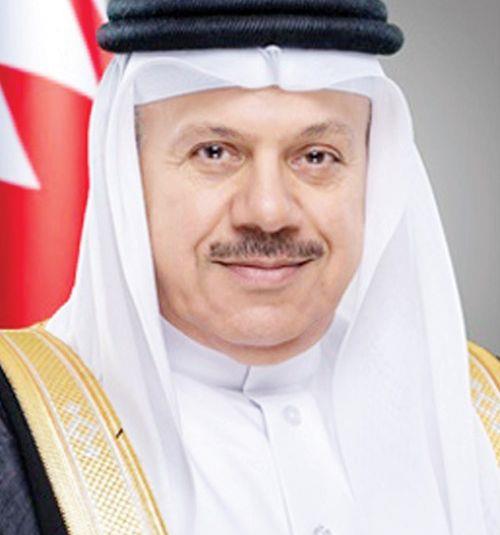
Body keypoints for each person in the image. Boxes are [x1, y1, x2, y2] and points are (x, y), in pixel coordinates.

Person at [0, 1, 499, 534]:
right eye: (215, 152)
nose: (268, 211)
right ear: (128, 174)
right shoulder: (17, 436)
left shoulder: (478, 416)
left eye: (316, 156)